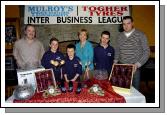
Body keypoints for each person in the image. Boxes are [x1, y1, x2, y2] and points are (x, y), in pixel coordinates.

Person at [114, 16, 150, 90]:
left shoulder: (141, 35)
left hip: (135, 68)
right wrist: (115, 61)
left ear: (132, 23)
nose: (126, 26)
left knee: (135, 90)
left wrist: (138, 64)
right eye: (124, 24)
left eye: (128, 23)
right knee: (122, 89)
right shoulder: (119, 36)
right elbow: (117, 50)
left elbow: (146, 51)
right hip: (122, 67)